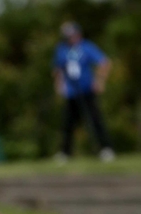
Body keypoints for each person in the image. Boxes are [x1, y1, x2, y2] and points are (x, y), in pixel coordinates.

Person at [53, 21, 114, 163]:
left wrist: (99, 81)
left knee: (95, 120)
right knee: (68, 123)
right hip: (71, 92)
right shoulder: (61, 49)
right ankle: (64, 152)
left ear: (78, 34)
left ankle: (106, 149)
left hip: (87, 90)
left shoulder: (87, 47)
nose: (70, 38)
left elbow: (104, 62)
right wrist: (59, 86)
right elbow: (58, 69)